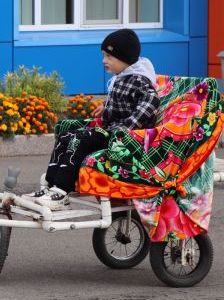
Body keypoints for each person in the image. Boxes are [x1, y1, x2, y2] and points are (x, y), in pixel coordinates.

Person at [27, 28, 160, 209]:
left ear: (125, 58)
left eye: (109, 56)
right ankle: (51, 186)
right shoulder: (123, 77)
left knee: (80, 139)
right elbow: (123, 105)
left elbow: (150, 101)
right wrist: (106, 109)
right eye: (104, 55)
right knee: (67, 136)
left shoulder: (139, 80)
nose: (104, 61)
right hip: (111, 132)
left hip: (124, 139)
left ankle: (61, 191)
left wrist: (126, 128)